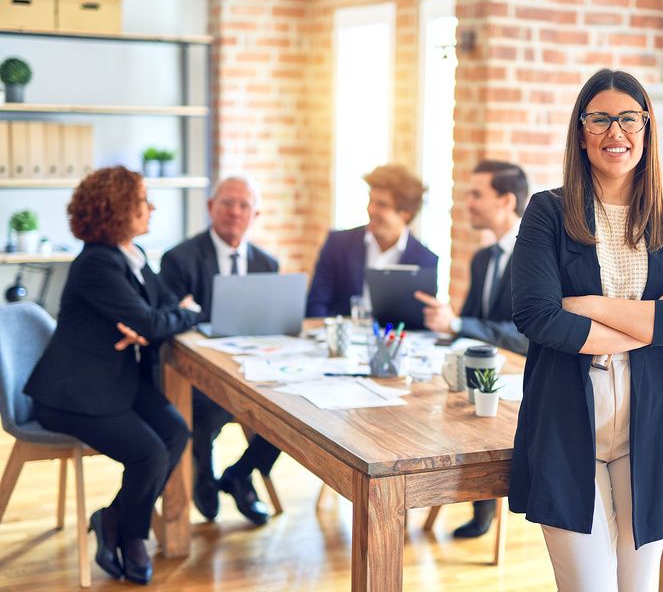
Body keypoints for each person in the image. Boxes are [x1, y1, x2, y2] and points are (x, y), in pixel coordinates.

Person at [508, 69, 663, 592]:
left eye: (629, 119)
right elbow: (537, 315)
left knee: (637, 590)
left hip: (652, 430)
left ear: (646, 131)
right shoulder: (548, 213)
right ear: (581, 132)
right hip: (565, 425)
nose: (614, 132)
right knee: (588, 589)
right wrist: (648, 321)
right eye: (599, 119)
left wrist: (592, 305)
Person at [25, 166, 200, 585]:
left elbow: (161, 310)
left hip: (114, 379)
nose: (151, 207)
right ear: (120, 209)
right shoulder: (96, 264)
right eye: (143, 201)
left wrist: (160, 320)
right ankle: (134, 535)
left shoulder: (132, 257)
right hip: (72, 393)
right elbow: (155, 319)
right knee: (150, 453)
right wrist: (178, 317)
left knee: (176, 433)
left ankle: (113, 519)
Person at [414, 159, 529, 538]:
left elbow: (526, 335)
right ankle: (466, 494)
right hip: (482, 375)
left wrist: (459, 325)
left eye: (477, 194)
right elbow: (469, 324)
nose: (468, 203)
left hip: (520, 380)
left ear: (506, 201)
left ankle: (485, 499)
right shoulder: (483, 259)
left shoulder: (537, 259)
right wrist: (442, 325)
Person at [160, 175, 280, 526]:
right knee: (206, 408)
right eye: (227, 202)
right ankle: (203, 471)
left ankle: (241, 474)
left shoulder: (267, 265)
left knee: (292, 414)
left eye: (244, 205)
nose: (235, 211)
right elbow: (172, 324)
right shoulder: (179, 260)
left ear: (255, 215)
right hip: (201, 375)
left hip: (254, 370)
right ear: (211, 207)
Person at [306, 164, 438, 318]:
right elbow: (316, 306)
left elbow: (421, 320)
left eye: (382, 204)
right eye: (371, 201)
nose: (371, 210)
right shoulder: (338, 244)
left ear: (405, 214)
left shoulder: (425, 260)